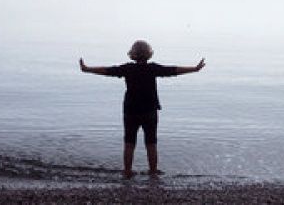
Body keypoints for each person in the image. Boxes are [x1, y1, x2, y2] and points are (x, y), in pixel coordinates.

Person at [79, 40, 205, 179]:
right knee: (151, 142)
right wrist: (194, 69)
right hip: (149, 111)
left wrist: (88, 69)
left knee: (129, 142)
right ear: (149, 54)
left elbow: (107, 71)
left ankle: (127, 171)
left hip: (130, 110)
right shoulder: (153, 68)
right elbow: (173, 70)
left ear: (132, 54)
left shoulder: (127, 69)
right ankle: (153, 171)